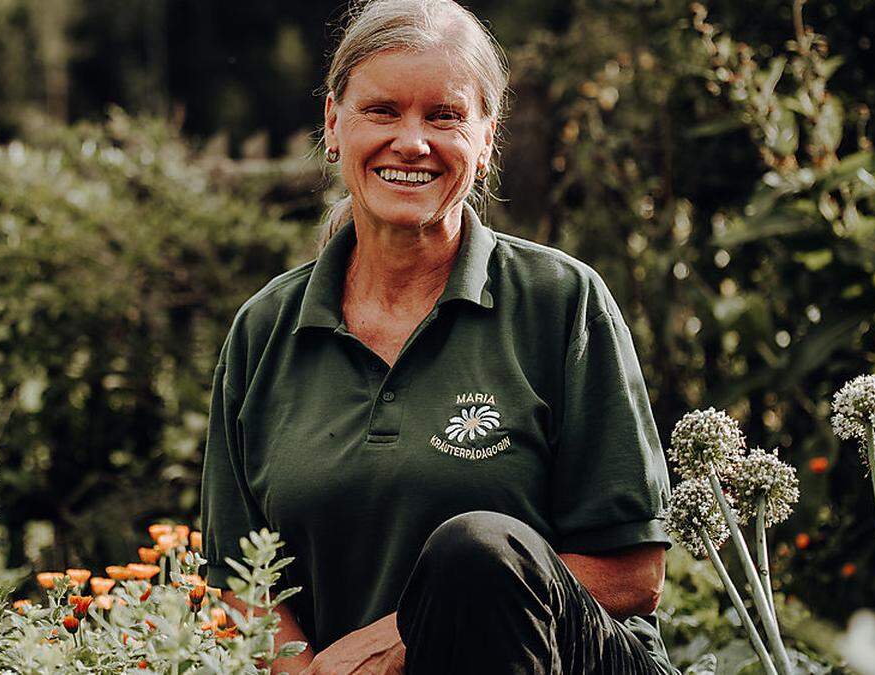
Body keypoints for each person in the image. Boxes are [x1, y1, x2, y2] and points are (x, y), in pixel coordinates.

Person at [199, 1, 679, 673]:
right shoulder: (265, 330)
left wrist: (400, 638)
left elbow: (634, 574)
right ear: (334, 124)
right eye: (383, 111)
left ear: (486, 140)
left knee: (478, 550)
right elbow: (240, 584)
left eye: (445, 116)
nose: (412, 142)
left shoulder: (562, 303)